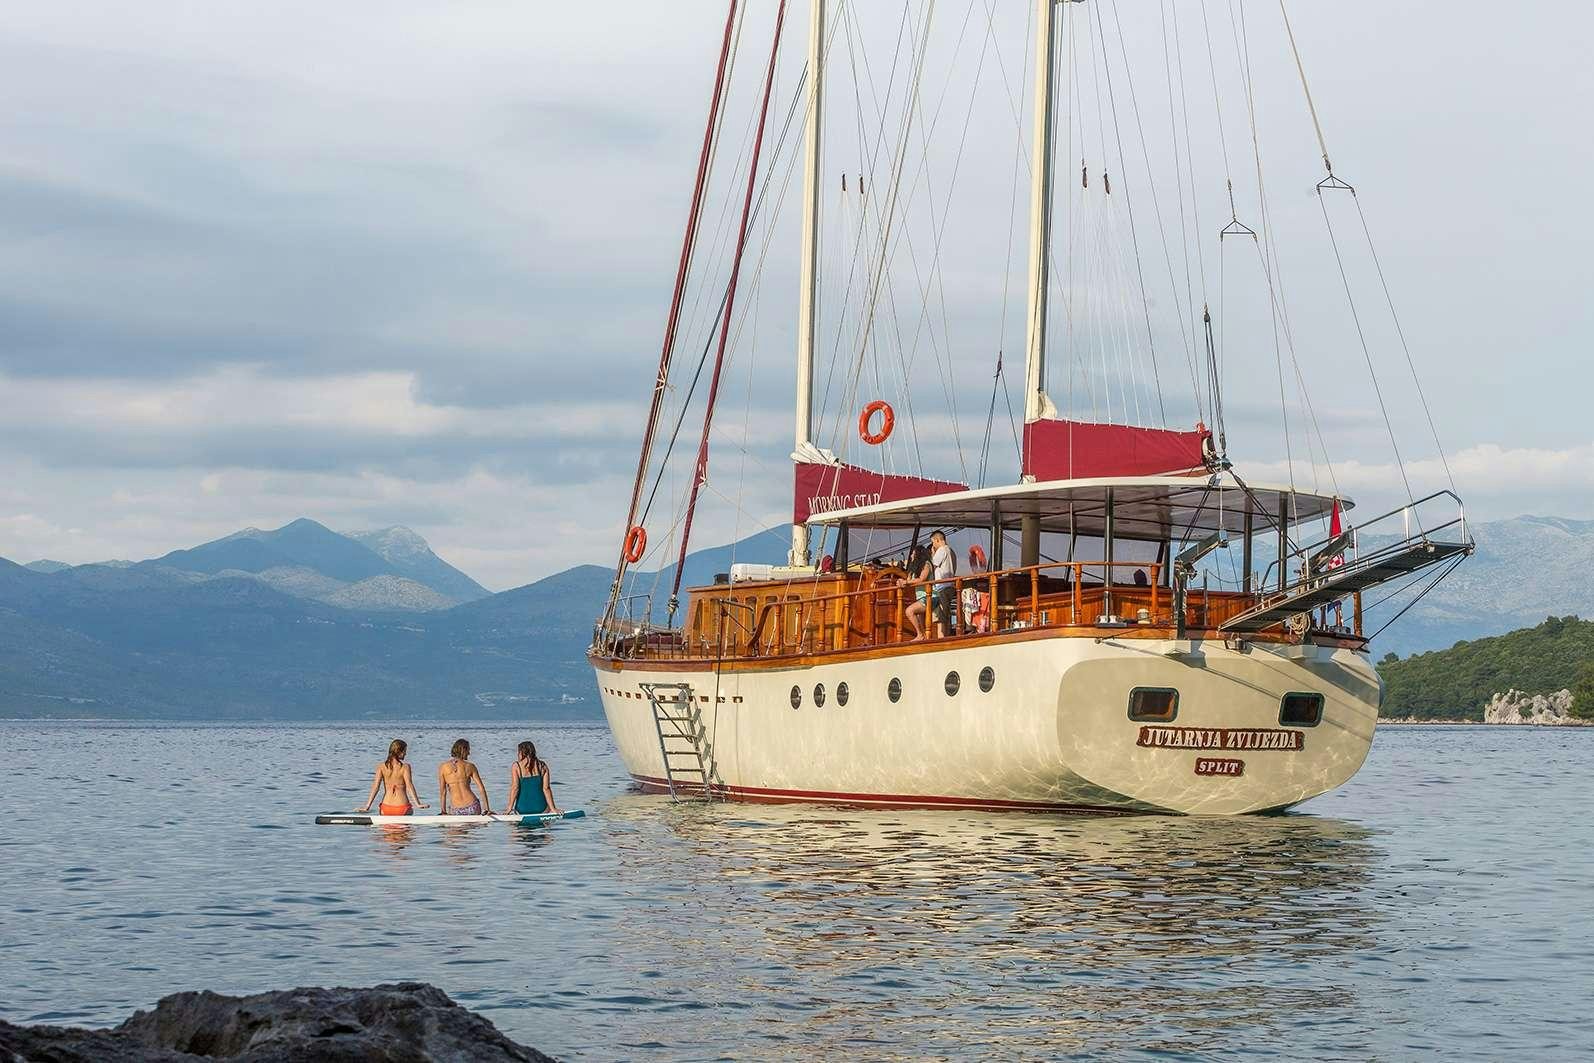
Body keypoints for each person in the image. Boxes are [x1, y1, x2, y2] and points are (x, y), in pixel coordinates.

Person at [356, 738, 428, 816]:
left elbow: (375, 787)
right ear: (398, 752)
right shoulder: (405, 767)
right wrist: (418, 804)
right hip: (402, 807)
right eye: (404, 751)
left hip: (386, 807)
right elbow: (409, 786)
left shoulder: (381, 767)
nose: (405, 754)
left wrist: (367, 806)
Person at [438, 738, 492, 816]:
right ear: (463, 750)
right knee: (472, 828)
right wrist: (487, 809)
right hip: (472, 806)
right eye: (468, 750)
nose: (469, 753)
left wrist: (443, 811)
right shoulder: (470, 766)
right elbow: (481, 789)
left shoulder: (443, 767)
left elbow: (443, 792)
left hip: (456, 809)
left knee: (452, 828)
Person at [506, 740, 560, 816]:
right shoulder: (542, 766)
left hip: (522, 809)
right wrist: (553, 809)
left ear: (522, 753)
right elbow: (546, 788)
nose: (517, 754)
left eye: (518, 752)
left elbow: (515, 788)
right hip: (541, 808)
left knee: (514, 827)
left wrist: (509, 808)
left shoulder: (516, 766)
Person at [929, 530, 959, 637]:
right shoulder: (951, 551)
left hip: (942, 586)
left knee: (941, 614)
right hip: (950, 585)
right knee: (946, 612)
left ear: (937, 540)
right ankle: (946, 635)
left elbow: (933, 565)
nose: (933, 545)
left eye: (933, 542)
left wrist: (933, 553)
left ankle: (941, 637)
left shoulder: (941, 550)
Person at [903, 544, 933, 641]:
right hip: (921, 597)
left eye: (913, 554)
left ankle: (920, 635)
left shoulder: (927, 564)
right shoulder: (917, 568)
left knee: (909, 611)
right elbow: (909, 579)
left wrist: (906, 582)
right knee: (920, 618)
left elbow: (922, 579)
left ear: (918, 555)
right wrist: (911, 568)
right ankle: (923, 636)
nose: (911, 556)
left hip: (930, 597)